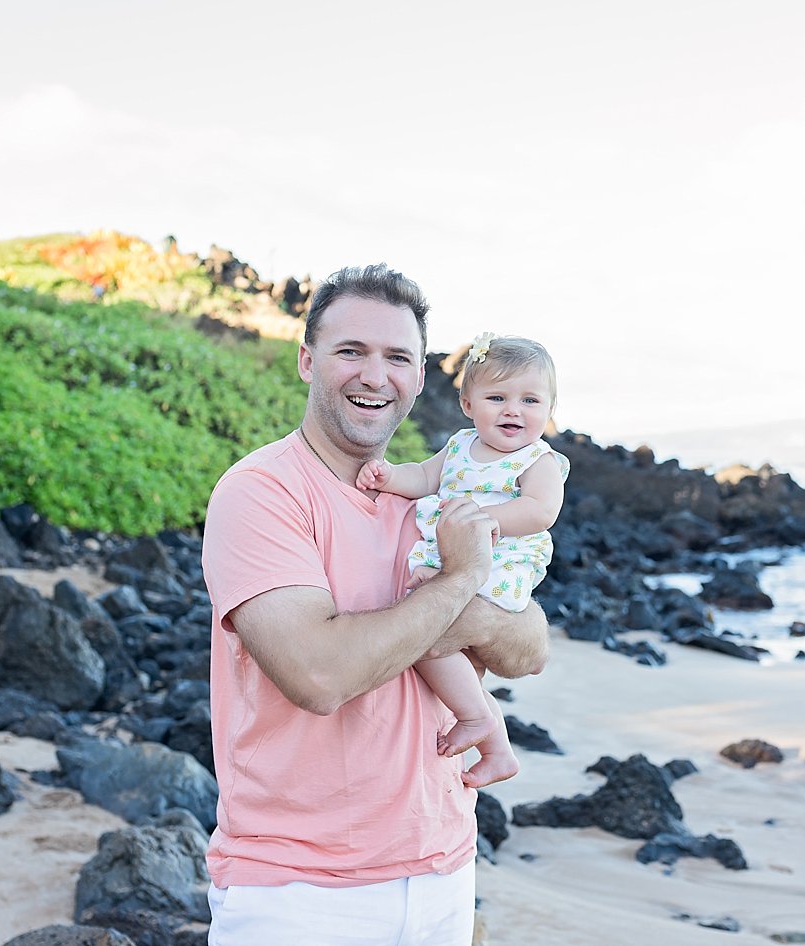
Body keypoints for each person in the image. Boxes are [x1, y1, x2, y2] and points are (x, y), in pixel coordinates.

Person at [200, 263, 550, 945]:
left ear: (420, 380)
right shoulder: (262, 492)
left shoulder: (433, 498)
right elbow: (319, 675)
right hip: (298, 891)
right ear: (307, 361)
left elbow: (529, 648)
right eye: (350, 351)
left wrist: (467, 599)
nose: (374, 374)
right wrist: (457, 582)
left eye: (397, 357)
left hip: (444, 869)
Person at [355, 332, 569, 762]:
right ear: (468, 405)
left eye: (530, 401)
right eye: (497, 397)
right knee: (455, 662)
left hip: (501, 556)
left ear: (549, 411)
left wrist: (487, 522)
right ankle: (496, 746)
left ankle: (477, 721)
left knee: (428, 636)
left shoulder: (537, 460)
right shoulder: (459, 445)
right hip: (454, 549)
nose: (513, 409)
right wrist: (390, 477)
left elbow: (541, 511)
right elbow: (424, 476)